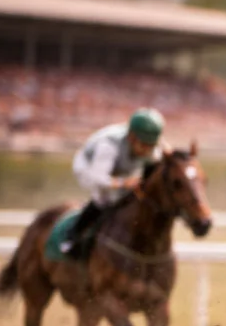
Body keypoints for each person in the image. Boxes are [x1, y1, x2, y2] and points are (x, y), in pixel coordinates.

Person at [60, 107, 165, 258]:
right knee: (105, 198)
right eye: (144, 145)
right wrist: (124, 183)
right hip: (89, 167)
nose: (147, 151)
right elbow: (99, 178)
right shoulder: (108, 145)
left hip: (120, 166)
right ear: (131, 137)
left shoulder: (148, 144)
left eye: (151, 146)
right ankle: (72, 236)